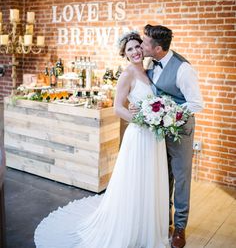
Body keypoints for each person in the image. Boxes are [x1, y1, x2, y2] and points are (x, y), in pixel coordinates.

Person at [34, 31, 169, 248]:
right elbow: (117, 109)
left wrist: (159, 114)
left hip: (155, 137)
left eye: (137, 47)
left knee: (150, 181)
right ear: (124, 55)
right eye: (129, 49)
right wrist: (140, 119)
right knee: (136, 182)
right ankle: (132, 229)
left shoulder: (150, 71)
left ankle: (149, 227)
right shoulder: (127, 75)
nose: (135, 52)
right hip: (139, 135)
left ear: (143, 49)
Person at [140, 24, 204, 248]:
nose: (142, 44)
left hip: (181, 130)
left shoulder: (183, 68)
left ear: (157, 48)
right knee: (161, 174)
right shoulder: (150, 61)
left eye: (145, 42)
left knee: (181, 177)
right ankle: (163, 220)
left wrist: (170, 114)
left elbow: (196, 103)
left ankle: (179, 227)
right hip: (159, 129)